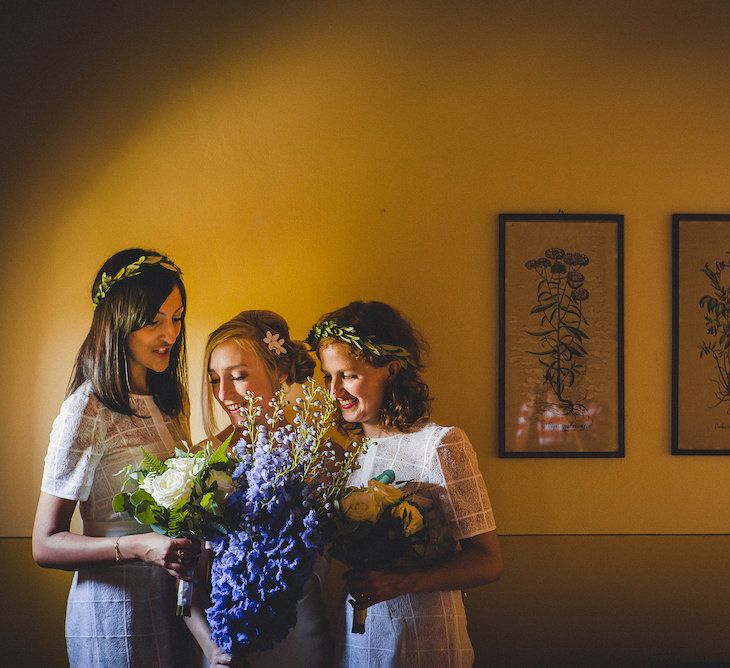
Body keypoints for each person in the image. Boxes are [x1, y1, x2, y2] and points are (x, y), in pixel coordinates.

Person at [308, 300, 503, 668]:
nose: (334, 391)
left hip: (424, 637)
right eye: (327, 376)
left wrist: (403, 582)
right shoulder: (340, 452)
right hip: (356, 638)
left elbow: (488, 562)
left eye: (348, 375)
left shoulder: (439, 443)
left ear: (392, 370)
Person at [32, 248, 198, 667]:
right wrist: (140, 547)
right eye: (153, 320)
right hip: (112, 611)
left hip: (176, 606)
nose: (169, 334)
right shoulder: (87, 409)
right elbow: (45, 544)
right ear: (120, 321)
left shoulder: (169, 400)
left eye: (176, 318)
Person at [186, 310, 329, 668]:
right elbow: (187, 576)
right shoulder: (204, 458)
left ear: (280, 372)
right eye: (214, 379)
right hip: (223, 638)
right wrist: (212, 648)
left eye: (238, 376)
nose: (224, 394)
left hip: (300, 630)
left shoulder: (320, 455)